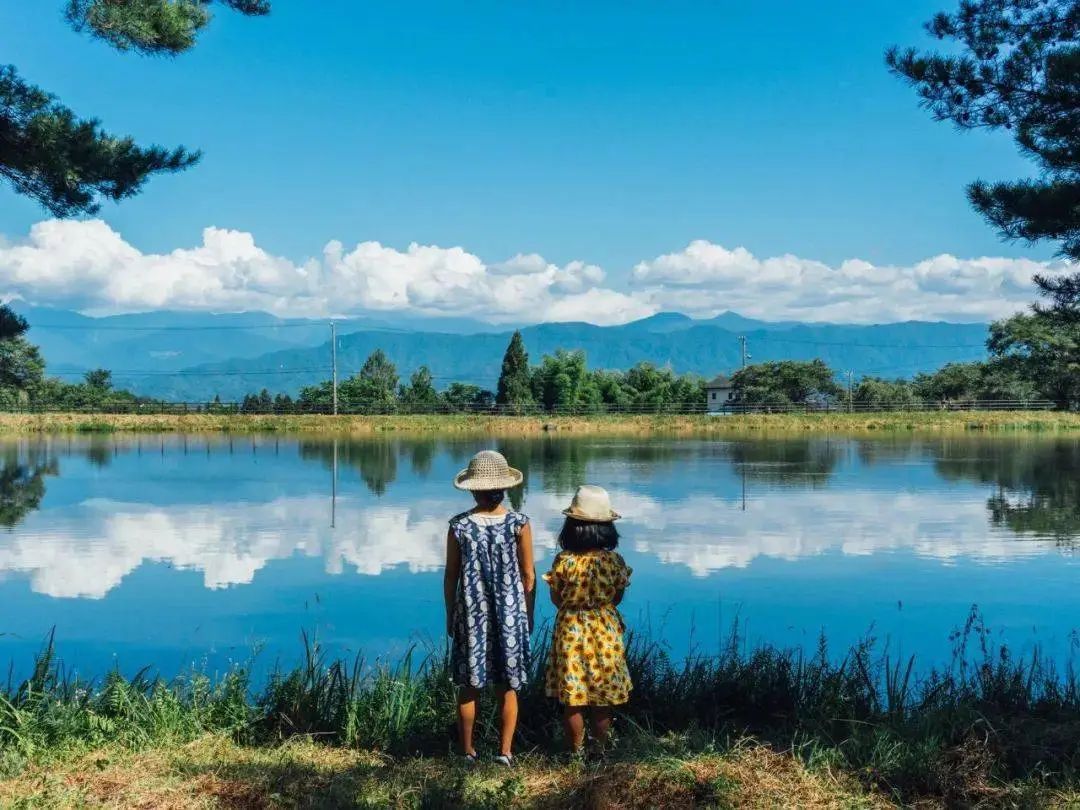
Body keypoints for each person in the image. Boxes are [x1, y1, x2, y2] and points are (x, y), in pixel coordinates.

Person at [444, 450, 535, 766]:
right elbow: (528, 575)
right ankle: (505, 752)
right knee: (507, 685)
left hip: (471, 613)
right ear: (505, 487)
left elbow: (451, 576)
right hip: (510, 614)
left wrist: (449, 614)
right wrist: (529, 614)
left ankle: (467, 751)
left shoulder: (459, 526)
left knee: (470, 685)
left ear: (472, 488)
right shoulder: (519, 523)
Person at [543, 485, 632, 755]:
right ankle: (600, 750)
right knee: (602, 695)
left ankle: (575, 752)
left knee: (573, 697)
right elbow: (616, 597)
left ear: (571, 528)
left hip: (569, 628)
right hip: (604, 628)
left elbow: (556, 598)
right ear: (607, 529)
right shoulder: (614, 561)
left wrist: (574, 607)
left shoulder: (563, 561)